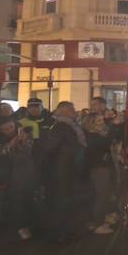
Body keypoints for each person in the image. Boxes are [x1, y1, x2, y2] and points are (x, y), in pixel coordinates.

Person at [0, 115, 35, 255]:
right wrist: (9, 145)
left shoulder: (24, 135)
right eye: (4, 129)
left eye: (11, 127)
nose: (8, 131)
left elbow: (27, 153)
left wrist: (23, 142)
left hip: (17, 177)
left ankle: (20, 227)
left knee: (18, 205)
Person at [41, 102, 84, 243]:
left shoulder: (66, 127)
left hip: (65, 169)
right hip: (62, 171)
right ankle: (59, 233)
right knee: (61, 202)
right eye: (72, 109)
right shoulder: (61, 127)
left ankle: (63, 231)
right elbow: (50, 149)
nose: (75, 111)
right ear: (64, 111)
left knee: (65, 201)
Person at [83, 96, 115, 235]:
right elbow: (105, 143)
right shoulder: (93, 136)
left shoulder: (98, 133)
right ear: (91, 123)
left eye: (102, 120)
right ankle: (98, 223)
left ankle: (99, 219)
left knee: (102, 194)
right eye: (99, 121)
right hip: (98, 167)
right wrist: (114, 127)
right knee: (101, 195)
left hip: (101, 166)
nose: (102, 123)